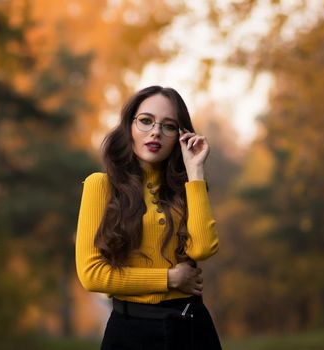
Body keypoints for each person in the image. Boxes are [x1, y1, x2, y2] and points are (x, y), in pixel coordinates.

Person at [75, 85, 221, 349]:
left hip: (191, 327)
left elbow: (203, 248)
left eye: (168, 126)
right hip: (130, 331)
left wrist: (195, 171)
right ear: (129, 126)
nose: (155, 132)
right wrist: (170, 278)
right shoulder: (101, 186)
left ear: (181, 136)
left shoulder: (184, 189)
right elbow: (92, 275)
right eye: (146, 121)